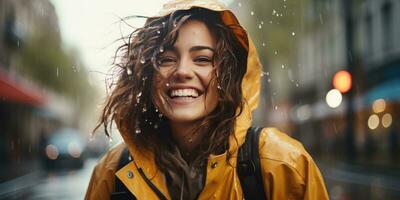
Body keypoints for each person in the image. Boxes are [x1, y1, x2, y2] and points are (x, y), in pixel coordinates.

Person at [85, 0, 329, 199]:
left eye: (202, 59)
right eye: (166, 59)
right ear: (147, 75)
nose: (182, 71)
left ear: (229, 74)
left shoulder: (282, 163)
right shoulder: (112, 173)